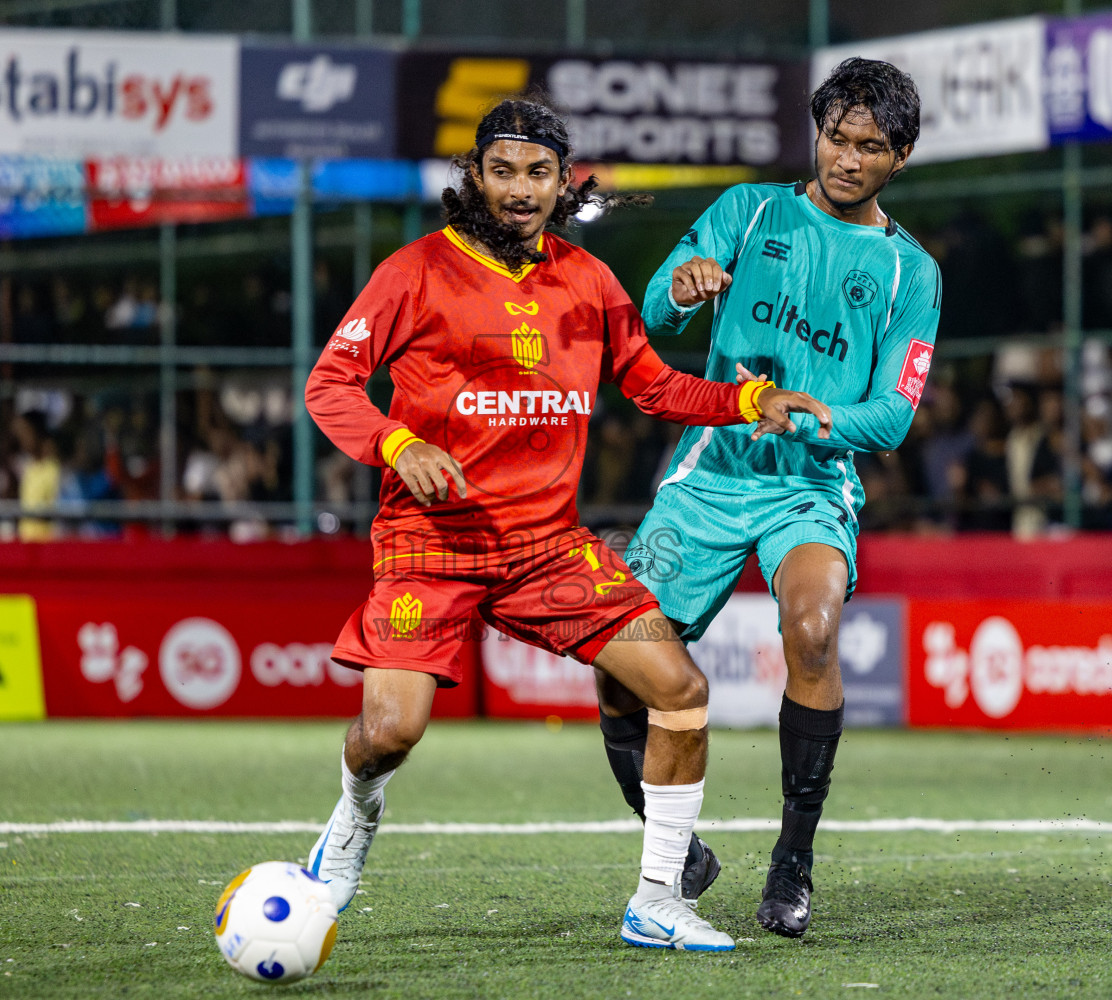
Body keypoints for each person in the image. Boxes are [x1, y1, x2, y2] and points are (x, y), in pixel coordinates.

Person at [302, 97, 832, 952]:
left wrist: (747, 400)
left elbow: (652, 384)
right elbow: (329, 385)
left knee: (680, 690)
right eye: (503, 171)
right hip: (431, 544)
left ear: (562, 184)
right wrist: (398, 442)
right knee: (389, 734)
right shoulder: (415, 271)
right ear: (475, 176)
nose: (520, 189)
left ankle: (657, 900)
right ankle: (354, 818)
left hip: (547, 549)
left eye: (538, 173)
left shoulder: (587, 279)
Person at [602, 58, 942, 940]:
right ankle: (679, 849)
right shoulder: (748, 211)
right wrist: (680, 290)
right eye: (837, 137)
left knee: (815, 631)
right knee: (620, 663)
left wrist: (817, 418)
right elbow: (653, 314)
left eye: (872, 146)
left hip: (810, 488)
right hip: (710, 475)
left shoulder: (910, 273)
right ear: (817, 132)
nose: (849, 159)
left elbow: (893, 415)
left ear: (900, 156)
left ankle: (793, 859)